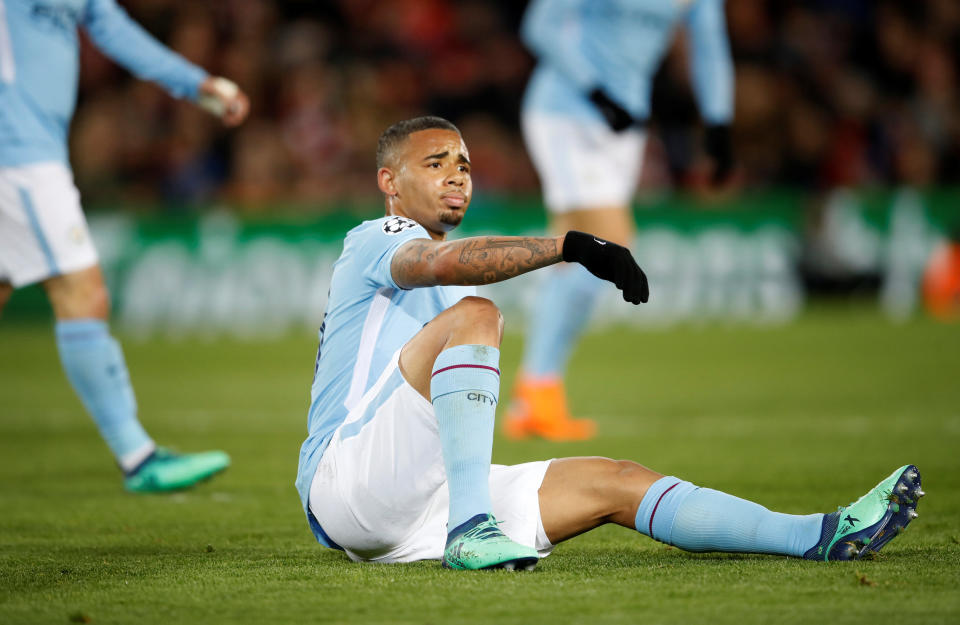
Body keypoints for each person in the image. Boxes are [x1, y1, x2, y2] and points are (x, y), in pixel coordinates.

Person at [295, 116, 921, 570]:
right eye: (435, 164)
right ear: (389, 181)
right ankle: (472, 528)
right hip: (346, 476)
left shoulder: (441, 278)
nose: (457, 176)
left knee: (616, 480)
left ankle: (819, 533)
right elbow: (436, 265)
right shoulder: (376, 235)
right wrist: (569, 244)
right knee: (477, 315)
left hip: (417, 499)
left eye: (463, 164)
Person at [0, 0, 250, 492]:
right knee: (81, 292)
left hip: (30, 148)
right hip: (18, 153)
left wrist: (196, 84)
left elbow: (117, 33)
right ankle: (137, 456)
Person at [508, 0, 735, 440]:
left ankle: (535, 395)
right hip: (567, 110)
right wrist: (594, 90)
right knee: (609, 244)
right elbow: (541, 26)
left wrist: (719, 124)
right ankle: (537, 387)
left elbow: (710, 47)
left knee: (569, 255)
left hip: (624, 122)